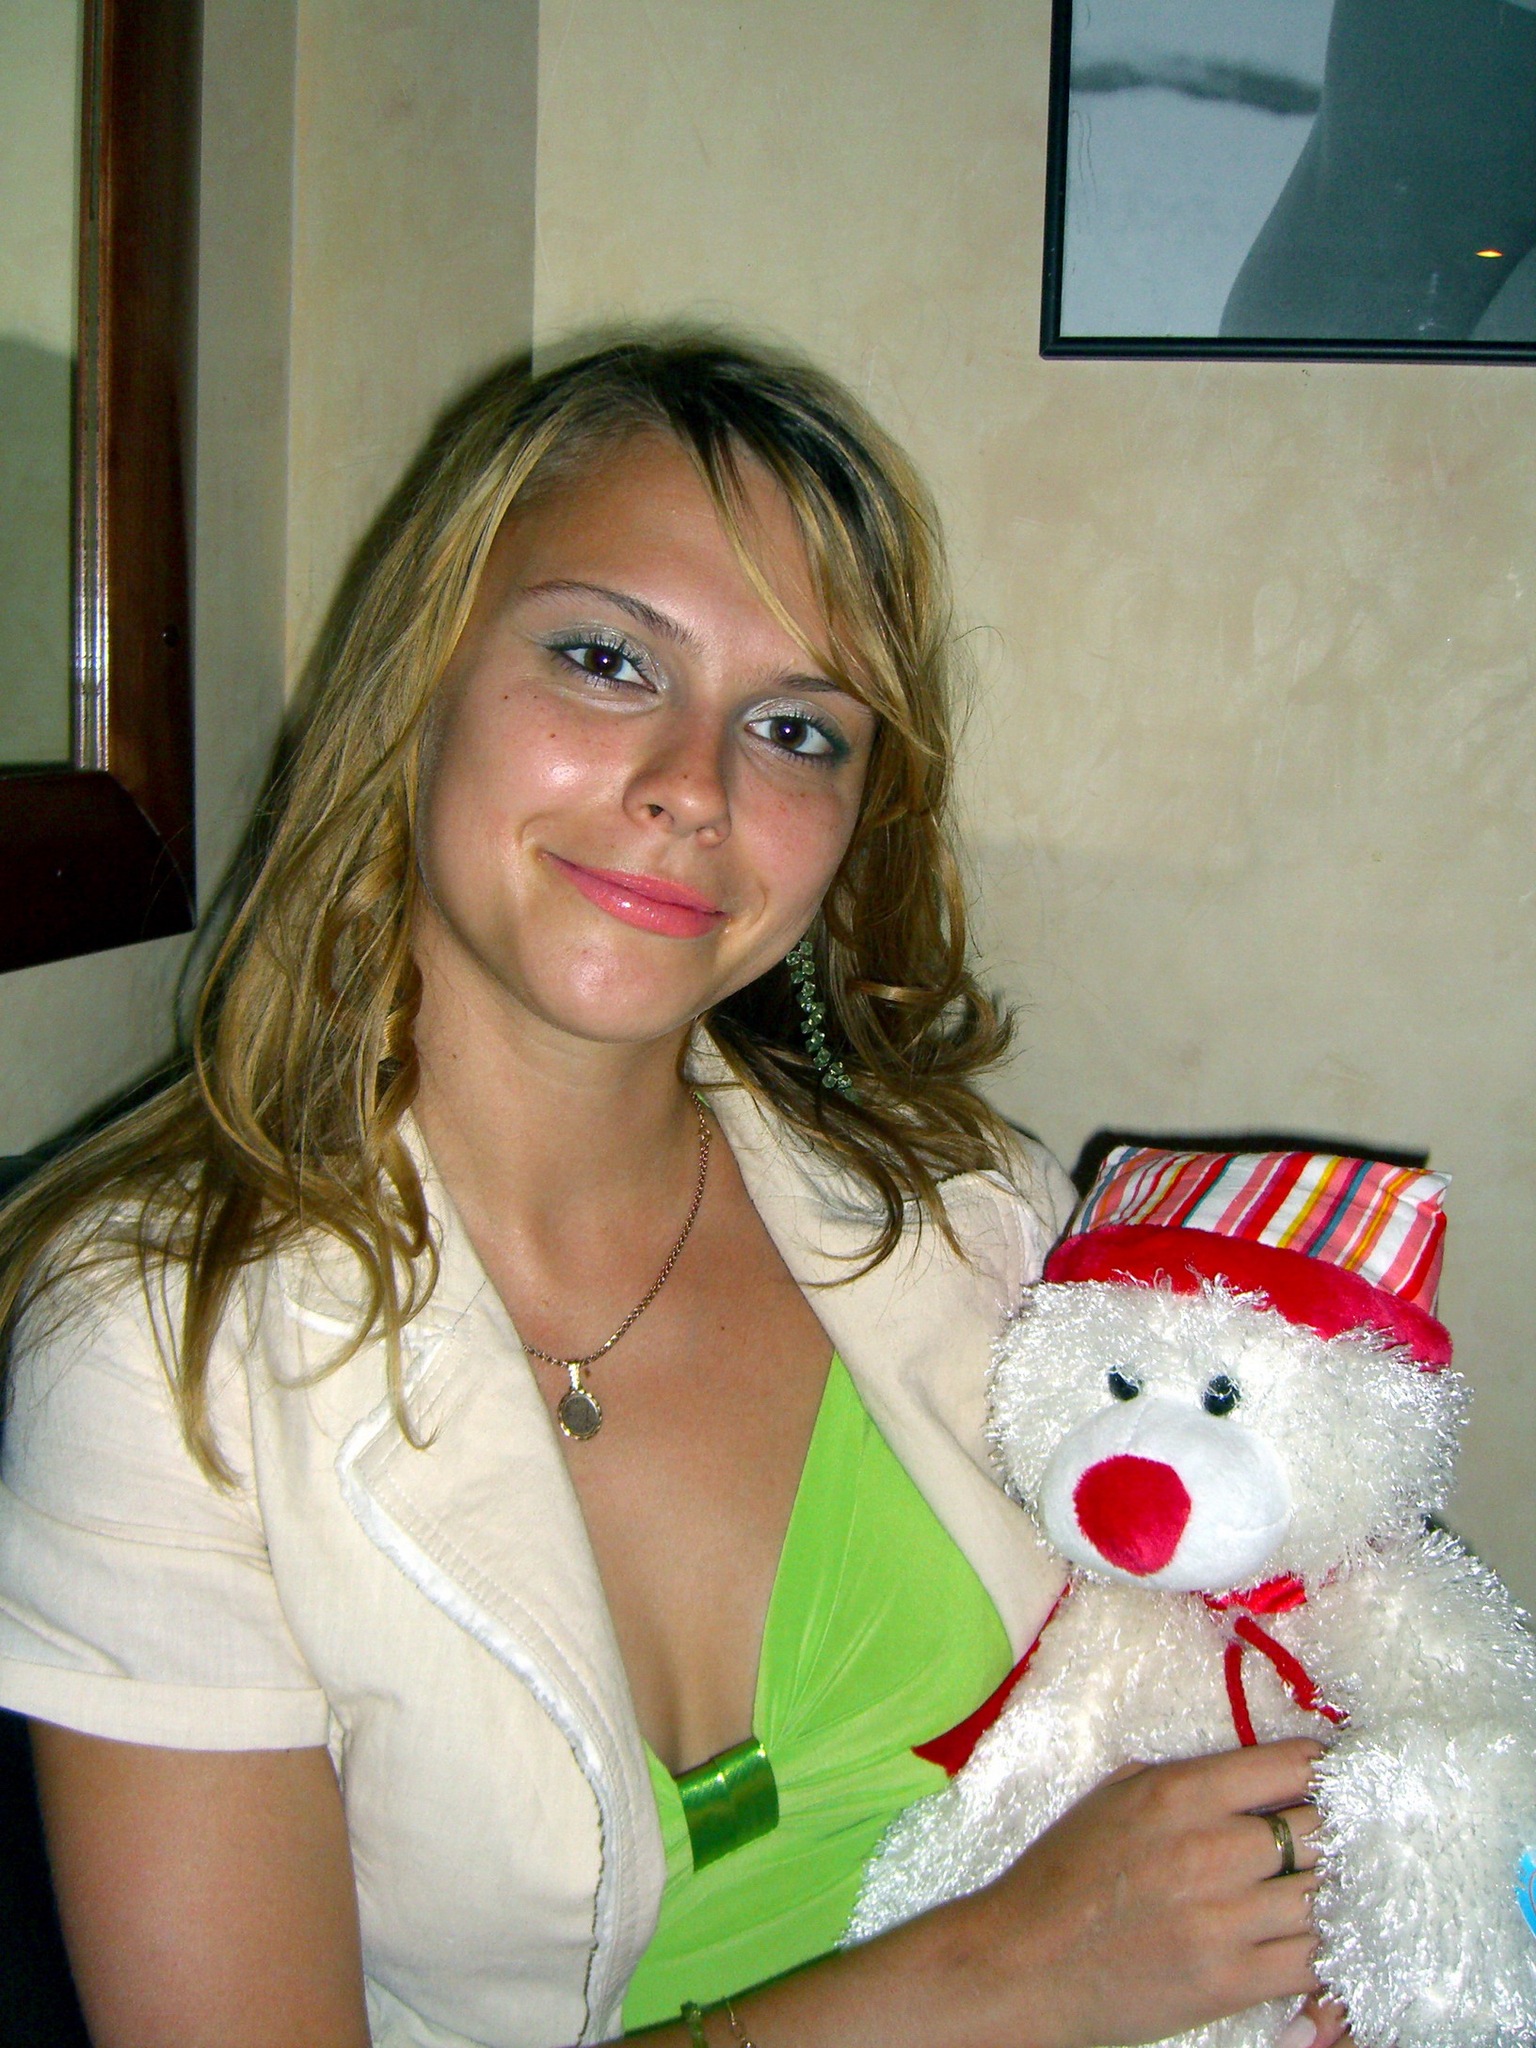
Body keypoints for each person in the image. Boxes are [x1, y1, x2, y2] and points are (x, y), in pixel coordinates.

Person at [0, 338, 1344, 2048]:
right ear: (419, 674)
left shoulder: (970, 1217)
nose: (696, 787)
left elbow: (1237, 1671)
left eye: (796, 729)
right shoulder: (158, 1347)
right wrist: (1010, 1977)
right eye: (604, 658)